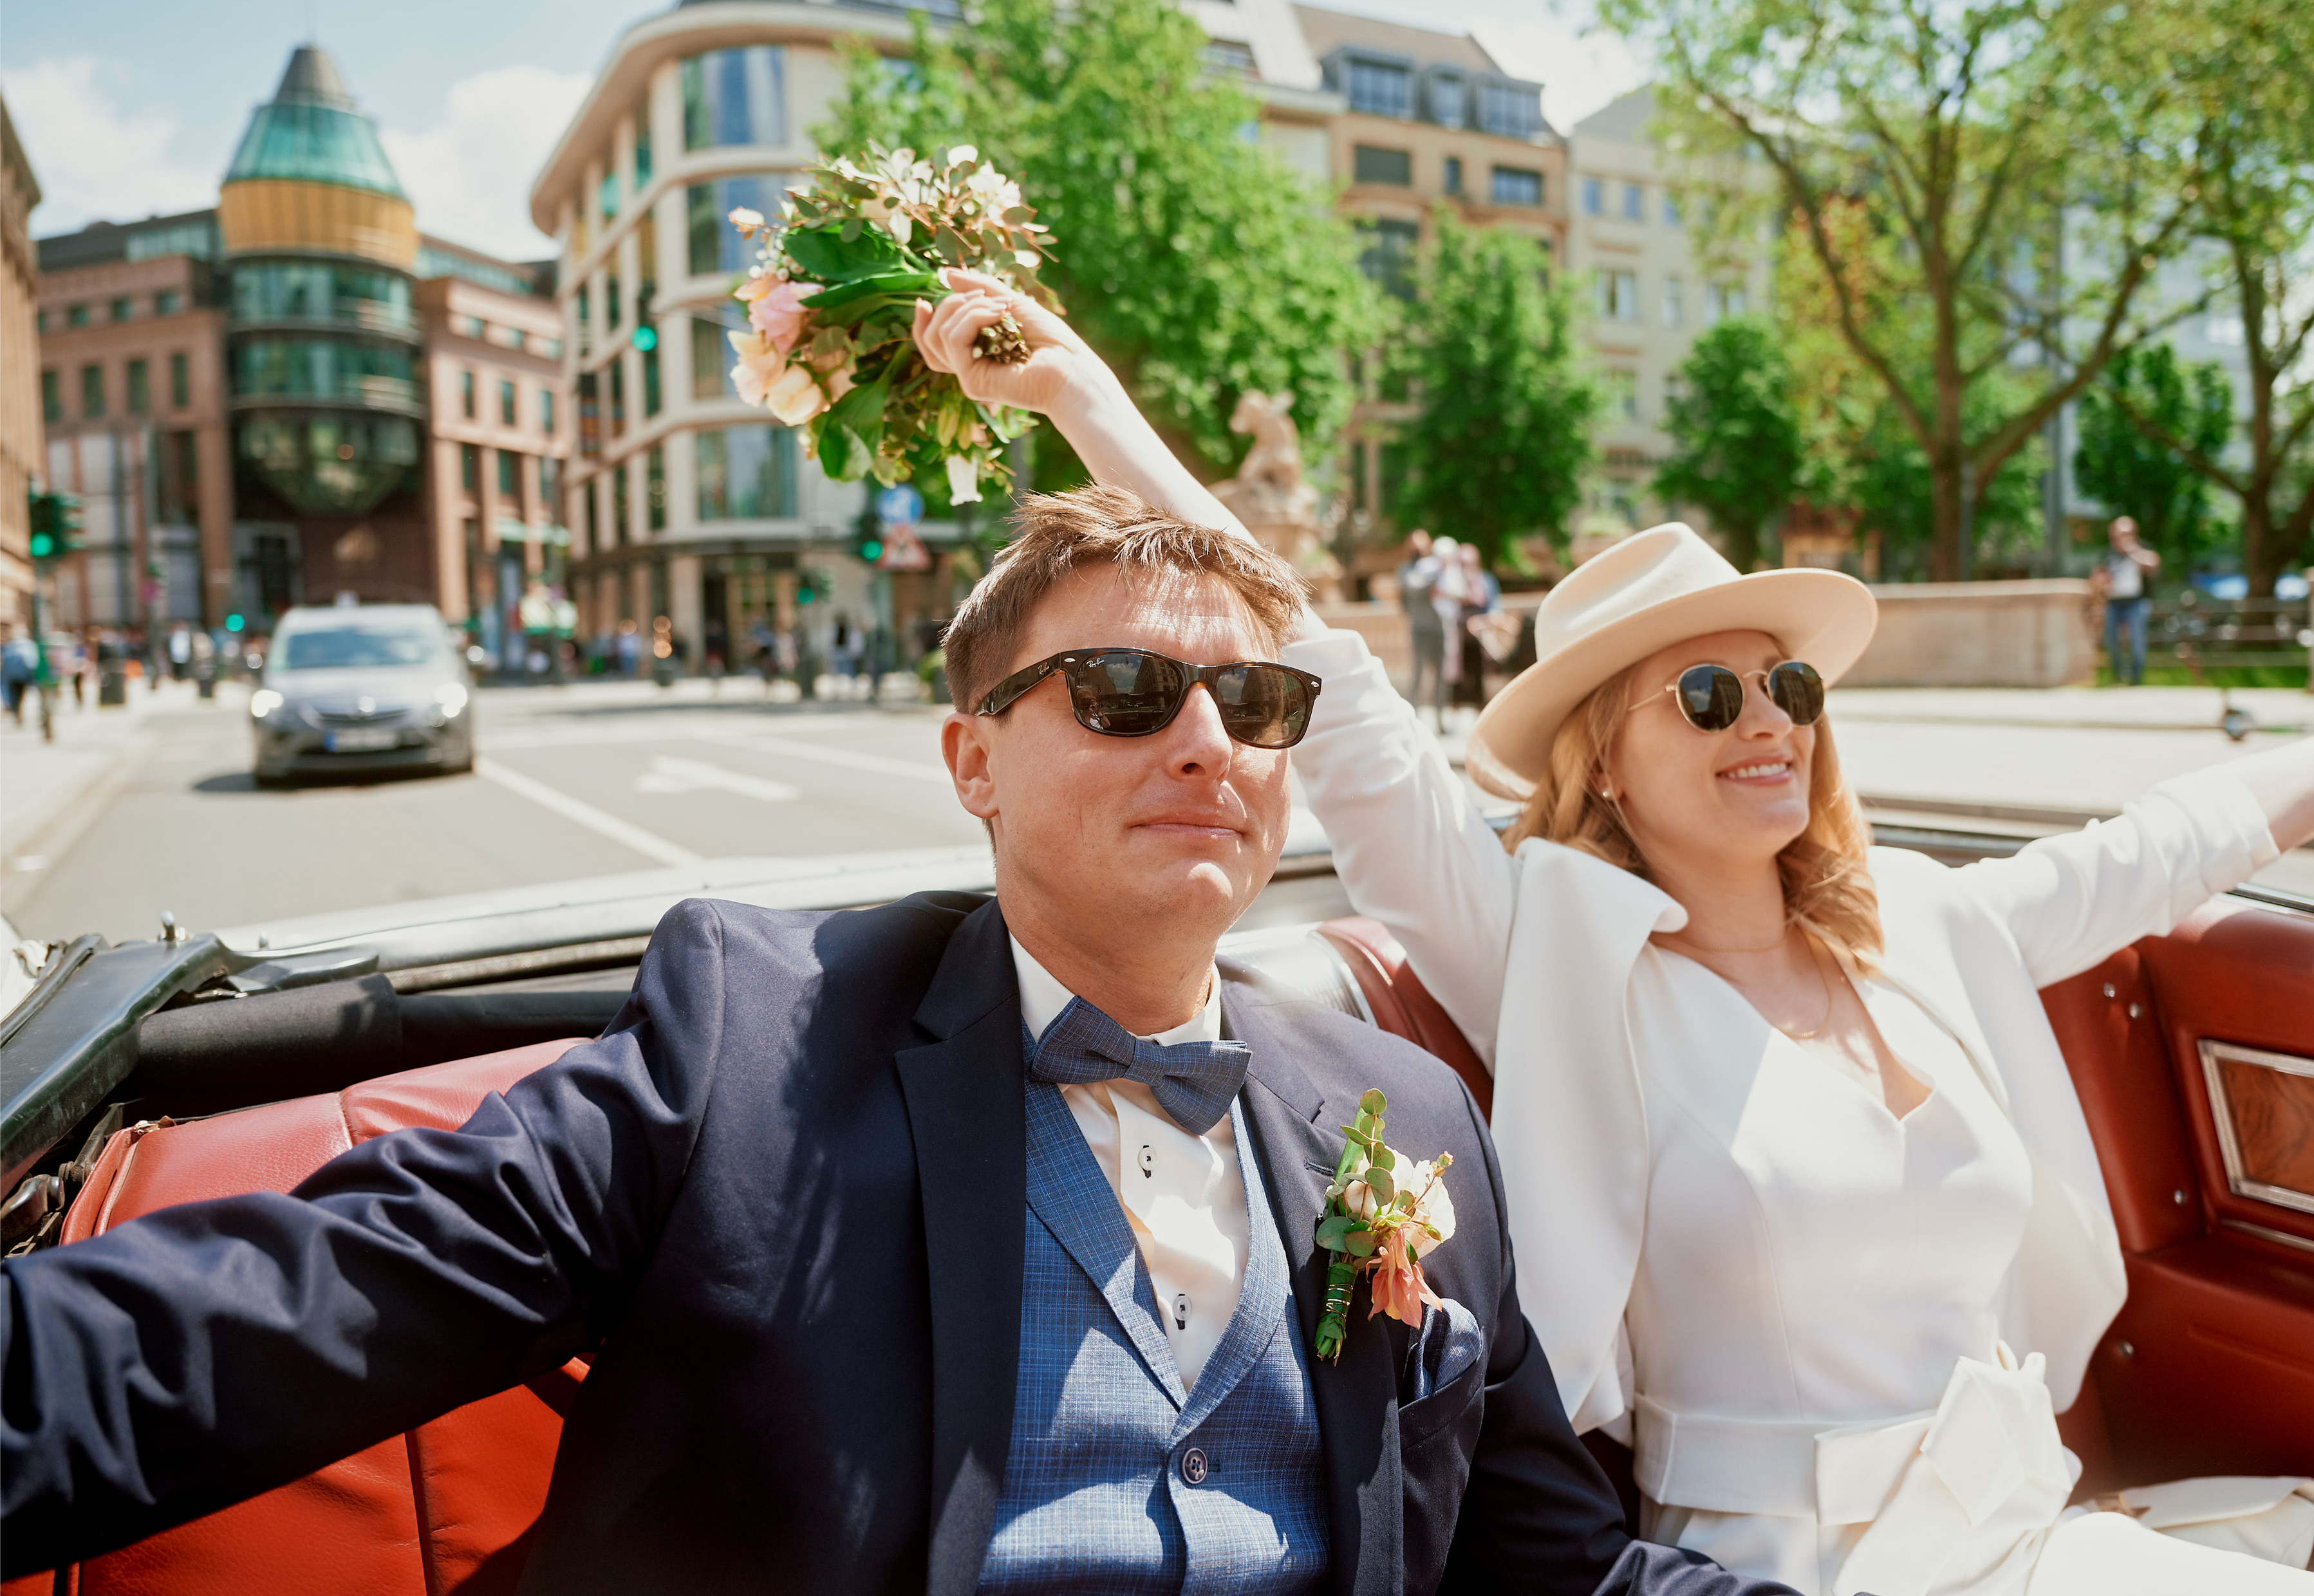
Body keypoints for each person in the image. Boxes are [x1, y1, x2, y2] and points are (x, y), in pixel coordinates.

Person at [904, 266, 2314, 1596]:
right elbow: (1324, 680)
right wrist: (1083, 401)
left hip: (2034, 1533)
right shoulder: (1549, 946)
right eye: (1704, 694)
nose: (1764, 718)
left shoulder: (1926, 924)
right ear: (1601, 764)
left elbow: (2171, 842)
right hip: (1761, 1572)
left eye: (1788, 685)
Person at [0, 485, 1799, 1596]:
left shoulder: (1406, 1115)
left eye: (1254, 701)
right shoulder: (749, 1044)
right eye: (1122, 692)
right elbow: (281, 1310)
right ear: (971, 761)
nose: (1203, 737)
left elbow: (1552, 1562)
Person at [2092, 516, 2159, 686]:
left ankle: (2136, 678)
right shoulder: (2108, 554)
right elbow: (2098, 577)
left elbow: (2153, 565)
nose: (2120, 539)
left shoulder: (2142, 548)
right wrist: (2102, 584)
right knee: (2111, 640)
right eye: (2116, 535)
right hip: (2113, 603)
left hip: (2136, 602)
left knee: (2137, 641)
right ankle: (2118, 675)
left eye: (2124, 534)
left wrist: (2132, 550)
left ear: (2133, 534)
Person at [1445, 544, 1500, 720]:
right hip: (1459, 634)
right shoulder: (1453, 581)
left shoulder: (1486, 580)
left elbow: (1494, 605)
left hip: (1480, 634)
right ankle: (1457, 703)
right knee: (1457, 671)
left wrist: (1485, 621)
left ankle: (1480, 704)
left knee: (1479, 670)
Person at [1398, 530, 1447, 715]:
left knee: (1441, 675)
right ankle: (1413, 714)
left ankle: (1441, 717)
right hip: (1419, 627)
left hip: (1439, 625)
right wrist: (1436, 576)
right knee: (1417, 673)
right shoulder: (1406, 569)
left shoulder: (1436, 565)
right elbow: (1413, 589)